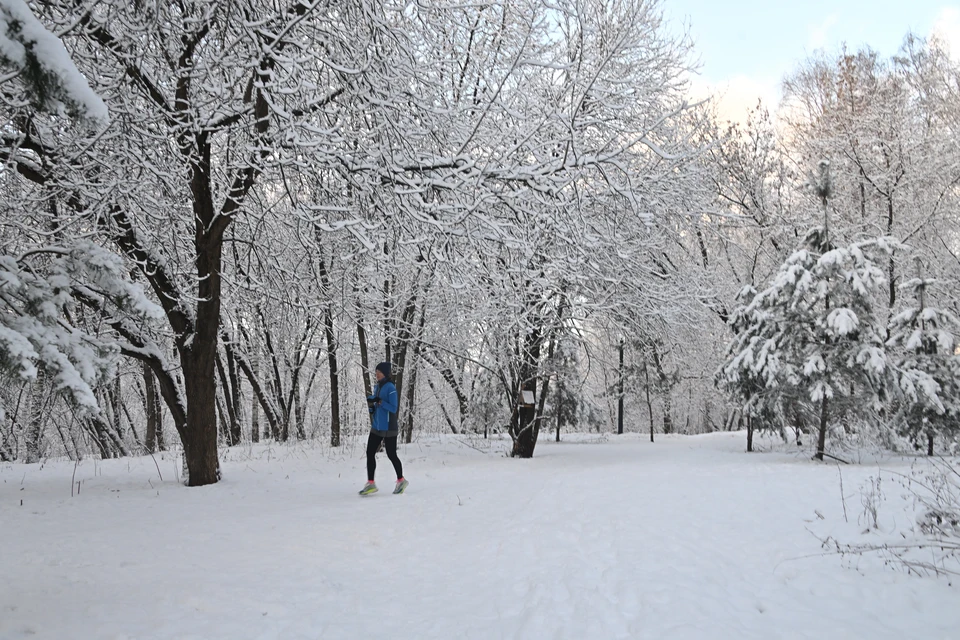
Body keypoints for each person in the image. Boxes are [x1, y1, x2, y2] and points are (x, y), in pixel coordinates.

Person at [360, 362, 408, 495]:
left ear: (385, 373)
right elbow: (378, 405)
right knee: (370, 452)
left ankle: (401, 480)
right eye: (376, 373)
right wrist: (372, 407)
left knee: (391, 455)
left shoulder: (390, 387)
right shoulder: (377, 387)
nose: (377, 375)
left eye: (379, 373)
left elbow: (393, 408)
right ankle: (371, 483)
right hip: (377, 425)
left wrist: (380, 402)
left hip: (389, 426)